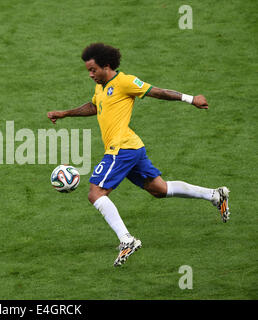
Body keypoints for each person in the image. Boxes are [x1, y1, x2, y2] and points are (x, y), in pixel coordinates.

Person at [47, 43, 230, 267]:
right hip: (132, 147)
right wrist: (64, 113)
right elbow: (95, 107)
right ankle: (215, 195)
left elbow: (157, 92)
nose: (90, 74)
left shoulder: (125, 82)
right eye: (88, 70)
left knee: (96, 193)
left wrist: (191, 99)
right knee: (160, 190)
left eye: (93, 69)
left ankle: (127, 240)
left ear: (106, 66)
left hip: (121, 148)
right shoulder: (101, 86)